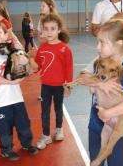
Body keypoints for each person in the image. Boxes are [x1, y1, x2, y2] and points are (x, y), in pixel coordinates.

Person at [78, 19, 123, 166]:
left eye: (102, 42)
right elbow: (82, 77)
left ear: (119, 43)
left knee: (117, 162)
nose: (98, 47)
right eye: (98, 42)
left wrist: (109, 113)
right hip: (96, 123)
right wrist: (100, 85)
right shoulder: (100, 60)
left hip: (116, 125)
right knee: (95, 161)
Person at [0, 20, 38, 161]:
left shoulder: (10, 53)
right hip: (0, 102)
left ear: (6, 35)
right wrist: (10, 82)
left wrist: (26, 61)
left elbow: (24, 66)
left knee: (23, 123)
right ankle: (6, 150)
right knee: (4, 128)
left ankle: (26, 144)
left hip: (16, 98)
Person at [29, 14, 73, 150]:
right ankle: (46, 135)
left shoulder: (65, 48)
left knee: (58, 109)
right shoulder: (42, 48)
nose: (49, 32)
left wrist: (68, 86)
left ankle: (59, 129)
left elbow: (69, 69)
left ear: (59, 30)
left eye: (52, 29)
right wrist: (30, 58)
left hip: (60, 86)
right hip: (46, 86)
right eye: (46, 29)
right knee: (44, 112)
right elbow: (37, 67)